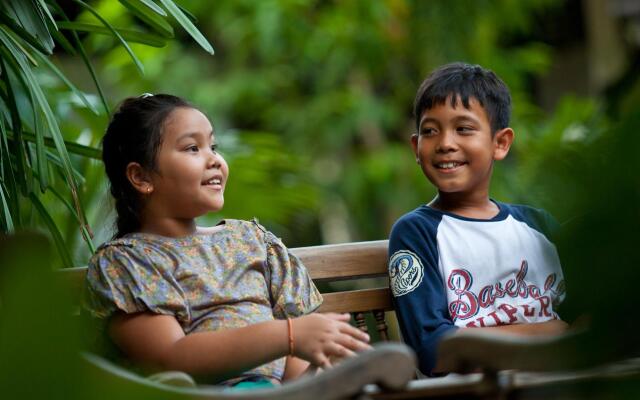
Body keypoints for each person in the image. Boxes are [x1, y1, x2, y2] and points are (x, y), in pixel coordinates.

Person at [84, 94, 370, 387]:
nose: (215, 160)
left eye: (213, 147)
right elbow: (171, 358)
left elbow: (299, 354)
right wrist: (289, 335)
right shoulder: (127, 264)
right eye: (193, 148)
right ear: (141, 177)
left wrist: (310, 369)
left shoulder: (253, 241)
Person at [388, 63, 567, 376]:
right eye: (431, 131)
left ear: (500, 143)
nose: (445, 143)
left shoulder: (540, 227)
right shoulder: (416, 234)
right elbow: (434, 352)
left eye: (463, 129)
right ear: (416, 148)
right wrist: (549, 332)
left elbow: (594, 325)